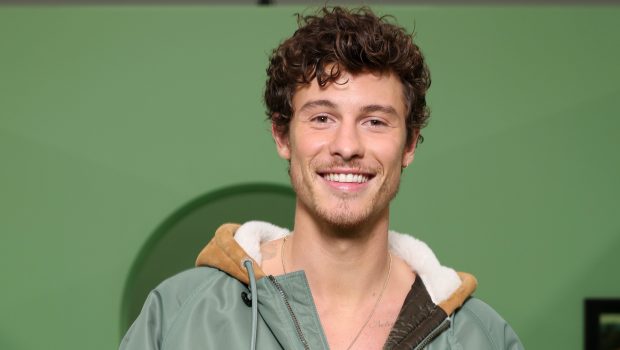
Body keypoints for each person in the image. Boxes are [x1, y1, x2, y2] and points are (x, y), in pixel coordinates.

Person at [120, 6, 523, 350]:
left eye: (375, 121)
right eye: (322, 118)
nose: (347, 145)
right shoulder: (178, 317)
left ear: (410, 144)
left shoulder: (478, 337)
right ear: (282, 135)